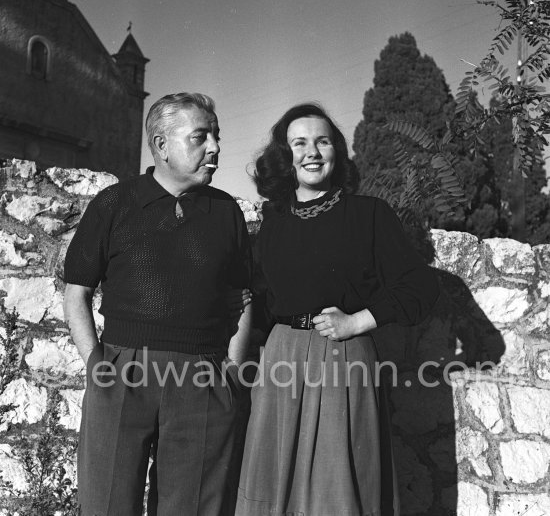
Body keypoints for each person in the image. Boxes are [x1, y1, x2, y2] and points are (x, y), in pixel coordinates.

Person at [236, 103, 440, 516]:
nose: (312, 152)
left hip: (342, 357)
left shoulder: (369, 215)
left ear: (337, 151)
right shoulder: (273, 221)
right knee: (273, 487)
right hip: (281, 361)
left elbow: (421, 285)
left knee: (337, 487)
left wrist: (358, 322)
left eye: (322, 141)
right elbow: (260, 299)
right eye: (299, 143)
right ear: (283, 156)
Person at [63, 92, 252, 516]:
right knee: (107, 503)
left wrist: (234, 375)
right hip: (123, 371)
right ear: (161, 145)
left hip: (203, 375)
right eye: (201, 136)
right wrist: (97, 364)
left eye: (216, 136)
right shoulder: (114, 204)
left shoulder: (226, 213)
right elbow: (76, 290)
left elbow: (243, 299)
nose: (215, 147)